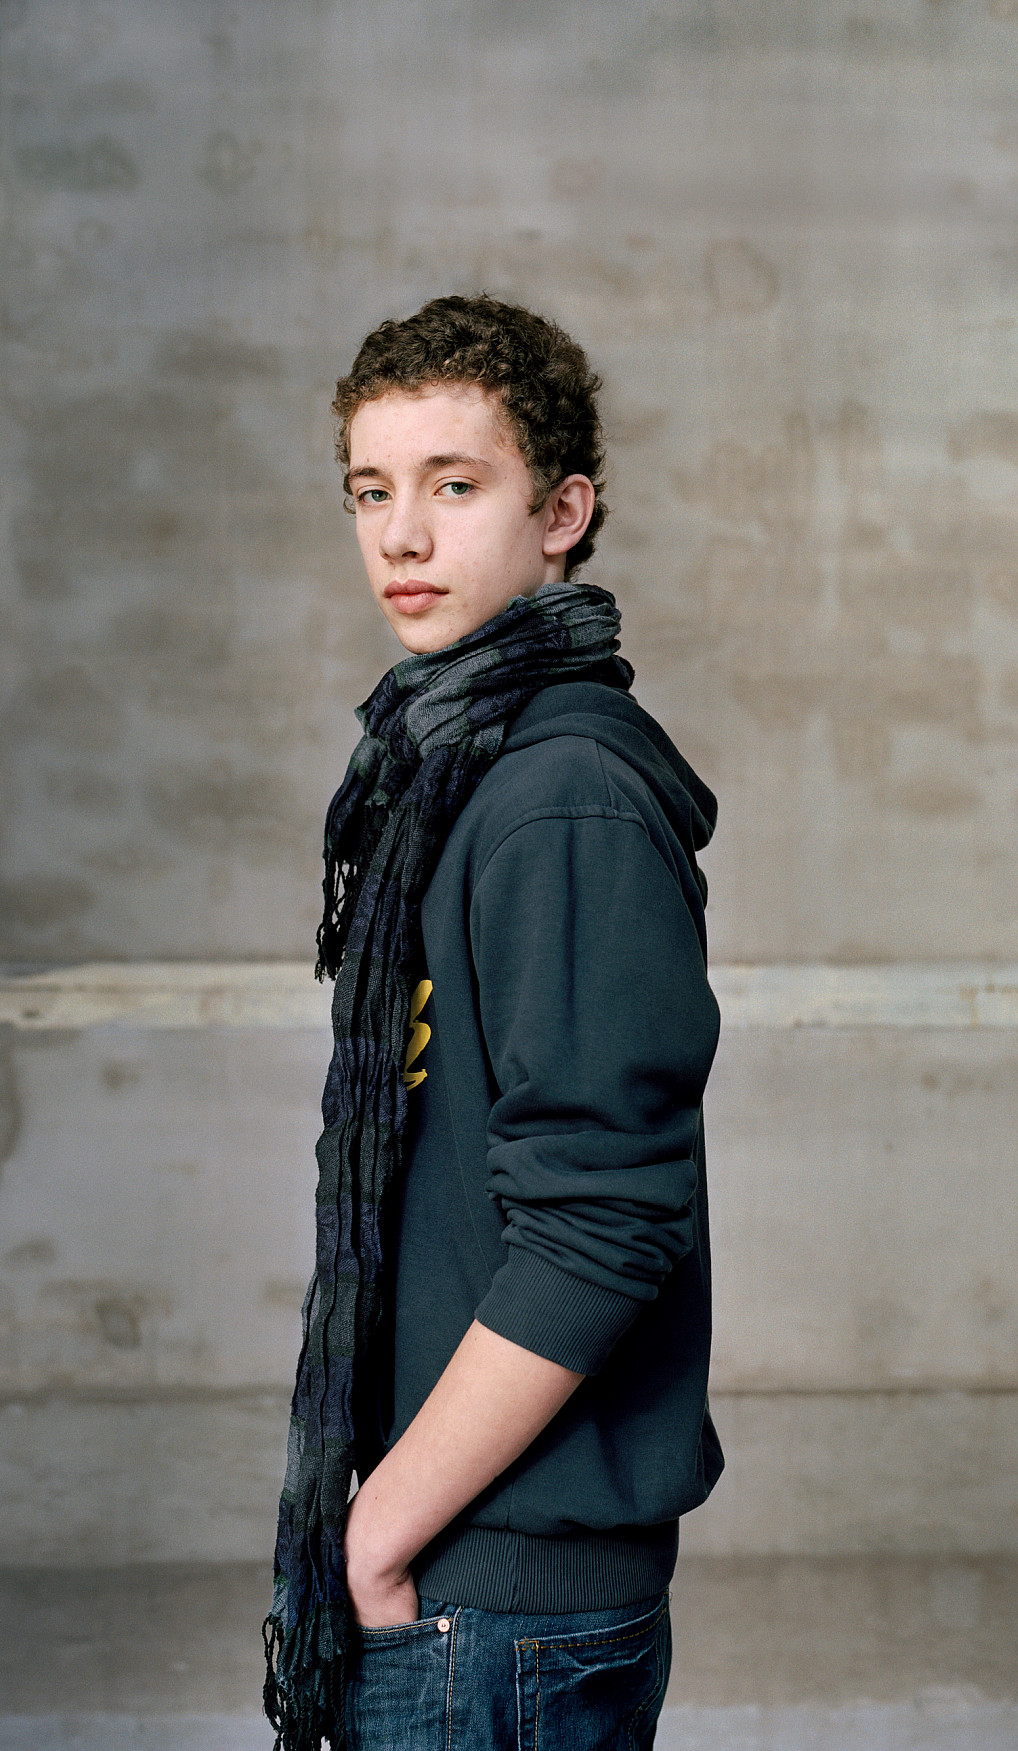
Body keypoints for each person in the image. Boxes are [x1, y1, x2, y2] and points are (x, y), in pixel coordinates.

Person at [264, 294, 723, 1751]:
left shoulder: (557, 800)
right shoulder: (448, 769)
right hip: (473, 1578)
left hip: (496, 1601)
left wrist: (379, 1537)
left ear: (561, 513)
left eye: (456, 486)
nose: (402, 536)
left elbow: (600, 1220)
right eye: (372, 491)